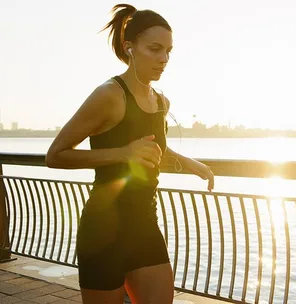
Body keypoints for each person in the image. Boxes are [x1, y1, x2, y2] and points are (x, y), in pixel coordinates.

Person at [46, 3, 214, 304]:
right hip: (102, 232)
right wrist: (123, 153)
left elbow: (153, 150)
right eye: (154, 49)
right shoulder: (109, 95)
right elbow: (55, 155)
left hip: (145, 225)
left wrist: (190, 163)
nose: (164, 59)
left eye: (168, 51)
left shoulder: (162, 102)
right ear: (130, 47)